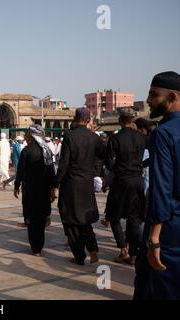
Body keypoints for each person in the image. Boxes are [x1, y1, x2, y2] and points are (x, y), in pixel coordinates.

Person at [134, 71, 180, 299]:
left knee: (156, 288)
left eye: (154, 95)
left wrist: (153, 238)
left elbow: (162, 189)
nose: (149, 101)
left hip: (169, 229)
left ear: (172, 97)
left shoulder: (163, 133)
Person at [52, 107, 106, 265]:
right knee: (84, 219)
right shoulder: (94, 137)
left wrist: (56, 184)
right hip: (86, 184)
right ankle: (93, 249)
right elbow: (104, 155)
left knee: (71, 220)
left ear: (74, 119)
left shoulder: (69, 136)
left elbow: (63, 164)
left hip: (71, 184)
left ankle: (80, 256)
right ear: (88, 120)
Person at [104, 108, 147, 265]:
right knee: (134, 218)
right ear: (133, 121)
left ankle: (123, 249)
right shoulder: (142, 138)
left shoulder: (115, 139)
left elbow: (109, 164)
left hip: (121, 181)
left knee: (113, 216)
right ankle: (133, 255)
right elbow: (154, 155)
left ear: (120, 120)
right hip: (137, 181)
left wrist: (120, 166)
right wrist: (140, 165)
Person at [14, 125, 56, 256]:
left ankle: (35, 248)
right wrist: (54, 187)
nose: (26, 135)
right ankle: (40, 245)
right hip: (43, 190)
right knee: (41, 219)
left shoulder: (26, 151)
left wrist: (16, 186)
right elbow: (51, 172)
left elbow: (20, 171)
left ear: (32, 135)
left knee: (31, 220)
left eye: (27, 133)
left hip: (30, 191)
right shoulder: (47, 150)